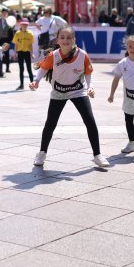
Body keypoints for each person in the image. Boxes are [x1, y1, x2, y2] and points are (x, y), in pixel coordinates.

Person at [29, 26, 104, 168]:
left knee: (90, 120)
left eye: (69, 37)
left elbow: (88, 73)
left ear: (74, 39)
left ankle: (98, 155)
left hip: (78, 91)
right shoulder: (53, 56)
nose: (65, 40)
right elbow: (43, 69)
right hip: (59, 92)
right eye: (62, 37)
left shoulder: (83, 55)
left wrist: (90, 87)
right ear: (57, 40)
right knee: (50, 123)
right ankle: (42, 153)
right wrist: (36, 81)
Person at [12, 18, 34, 90]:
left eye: (26, 24)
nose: (24, 26)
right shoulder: (17, 33)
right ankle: (21, 85)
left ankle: (32, 85)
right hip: (20, 53)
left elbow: (31, 45)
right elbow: (16, 44)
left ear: (27, 25)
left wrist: (32, 53)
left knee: (29, 69)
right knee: (21, 69)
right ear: (20, 24)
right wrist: (15, 53)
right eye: (23, 24)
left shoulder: (30, 33)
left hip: (27, 52)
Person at [0, 8, 14, 74]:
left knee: (7, 54)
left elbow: (12, 30)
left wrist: (10, 39)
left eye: (6, 13)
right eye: (3, 12)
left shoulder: (10, 20)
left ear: (7, 14)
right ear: (1, 13)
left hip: (6, 39)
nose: (4, 14)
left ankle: (7, 68)